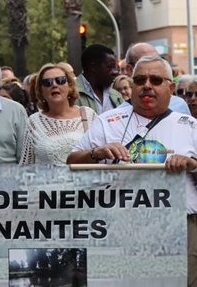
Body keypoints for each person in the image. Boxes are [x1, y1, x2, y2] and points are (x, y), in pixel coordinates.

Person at [67, 56, 197, 284]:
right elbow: (70, 163)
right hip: (120, 226)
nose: (147, 85)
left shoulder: (189, 126)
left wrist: (192, 164)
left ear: (172, 88)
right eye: (140, 79)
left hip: (179, 226)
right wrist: (97, 153)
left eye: (156, 80)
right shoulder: (107, 122)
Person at [20, 63, 96, 164]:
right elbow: (26, 165)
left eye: (60, 80)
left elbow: (103, 155)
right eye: (48, 82)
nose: (54, 85)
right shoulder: (34, 122)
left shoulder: (88, 115)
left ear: (69, 86)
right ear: (41, 90)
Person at [118, 42, 190, 114]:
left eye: (157, 59)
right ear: (130, 70)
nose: (147, 85)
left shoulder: (179, 105)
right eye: (145, 61)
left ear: (171, 88)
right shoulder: (118, 116)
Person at [74, 44, 123, 114]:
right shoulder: (71, 94)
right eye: (110, 67)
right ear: (94, 67)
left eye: (115, 67)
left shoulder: (116, 96)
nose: (115, 72)